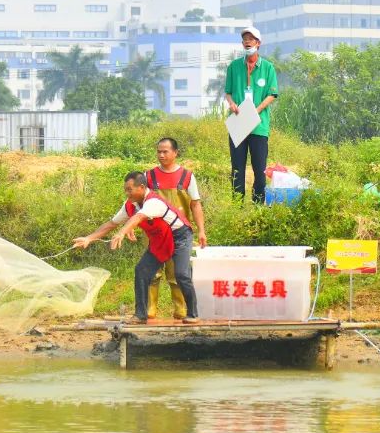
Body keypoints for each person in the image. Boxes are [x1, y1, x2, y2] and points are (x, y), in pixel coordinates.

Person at [73, 171, 199, 324]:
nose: (127, 193)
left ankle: (193, 314)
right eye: (125, 189)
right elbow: (112, 223)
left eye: (129, 189)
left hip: (180, 236)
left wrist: (121, 233)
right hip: (160, 240)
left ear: (141, 187)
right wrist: (89, 238)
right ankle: (140, 315)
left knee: (181, 274)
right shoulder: (130, 205)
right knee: (141, 270)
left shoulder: (154, 202)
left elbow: (138, 217)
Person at [143, 137, 206, 320]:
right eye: (159, 152)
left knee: (178, 273)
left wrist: (201, 230)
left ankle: (181, 309)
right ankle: (150, 308)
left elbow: (195, 205)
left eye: (165, 151)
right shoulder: (148, 176)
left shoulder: (187, 176)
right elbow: (138, 203)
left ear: (175, 153)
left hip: (178, 234)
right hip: (154, 233)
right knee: (151, 272)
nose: (161, 155)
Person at [224, 27, 279, 203]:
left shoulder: (268, 68)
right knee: (237, 170)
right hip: (239, 122)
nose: (247, 42)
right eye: (245, 39)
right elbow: (228, 92)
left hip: (259, 125)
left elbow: (272, 94)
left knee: (259, 170)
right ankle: (237, 207)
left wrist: (257, 109)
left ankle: (258, 206)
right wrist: (232, 104)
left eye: (251, 39)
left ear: (258, 43)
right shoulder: (234, 67)